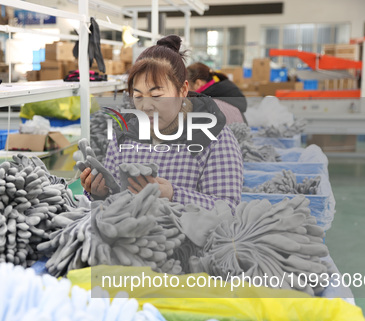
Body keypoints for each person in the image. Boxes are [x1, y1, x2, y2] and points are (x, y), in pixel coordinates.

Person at [80, 35, 243, 212]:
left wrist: (173, 195)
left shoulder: (215, 138)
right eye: (138, 96)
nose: (146, 106)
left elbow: (228, 209)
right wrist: (100, 191)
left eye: (156, 96)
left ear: (183, 90)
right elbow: (115, 199)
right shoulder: (125, 136)